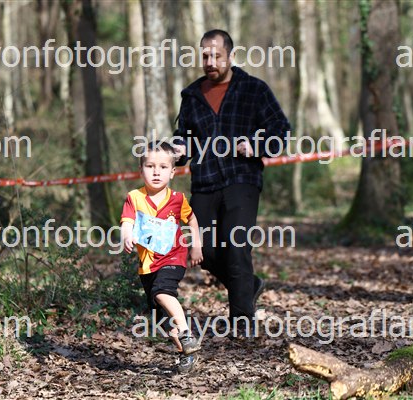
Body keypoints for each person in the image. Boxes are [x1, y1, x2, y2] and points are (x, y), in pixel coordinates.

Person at [174, 29, 291, 336]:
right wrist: (176, 150)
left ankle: (242, 323)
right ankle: (249, 285)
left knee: (236, 246)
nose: (210, 62)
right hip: (204, 181)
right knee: (204, 250)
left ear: (231, 56)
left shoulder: (254, 89)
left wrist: (257, 145)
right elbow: (184, 138)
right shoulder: (191, 95)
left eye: (217, 56)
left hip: (242, 178)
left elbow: (281, 130)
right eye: (205, 56)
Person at [120, 141, 203, 373]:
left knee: (162, 291)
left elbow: (192, 220)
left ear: (173, 172)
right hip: (148, 265)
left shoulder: (177, 199)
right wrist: (126, 235)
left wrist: (197, 245)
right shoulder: (134, 197)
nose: (156, 172)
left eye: (163, 167)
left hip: (174, 256)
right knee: (162, 320)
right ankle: (187, 354)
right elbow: (127, 221)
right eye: (150, 166)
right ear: (141, 170)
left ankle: (186, 333)